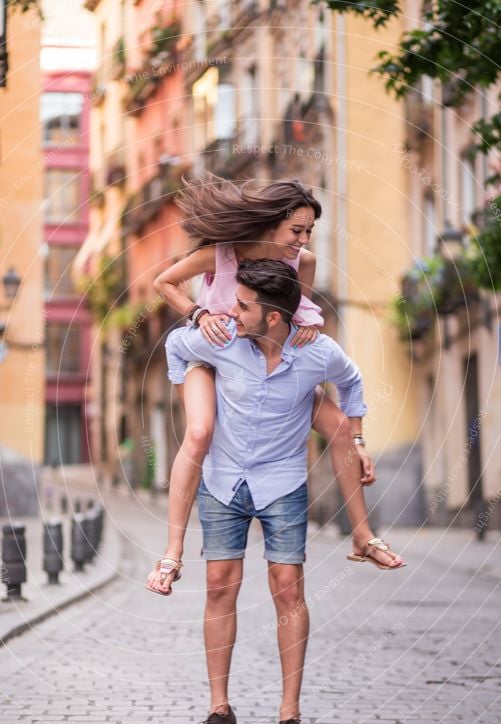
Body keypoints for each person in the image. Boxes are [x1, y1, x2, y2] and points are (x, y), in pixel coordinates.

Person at [149, 259, 405, 724]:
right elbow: (176, 348)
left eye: (243, 305)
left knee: (288, 591)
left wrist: (356, 436)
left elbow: (352, 384)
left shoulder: (317, 353)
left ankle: (290, 717)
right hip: (223, 480)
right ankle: (219, 709)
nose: (232, 309)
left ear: (272, 317)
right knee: (220, 587)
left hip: (282, 482)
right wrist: (196, 401)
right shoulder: (219, 339)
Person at [149, 175, 403, 594]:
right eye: (296, 230)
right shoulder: (222, 254)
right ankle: (172, 551)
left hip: (265, 360)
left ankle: (362, 535)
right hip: (211, 356)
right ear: (271, 224)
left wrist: (304, 325)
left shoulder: (302, 262)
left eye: (309, 231)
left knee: (340, 427)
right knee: (199, 432)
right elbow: (164, 283)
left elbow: (294, 311)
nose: (302, 240)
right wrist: (200, 315)